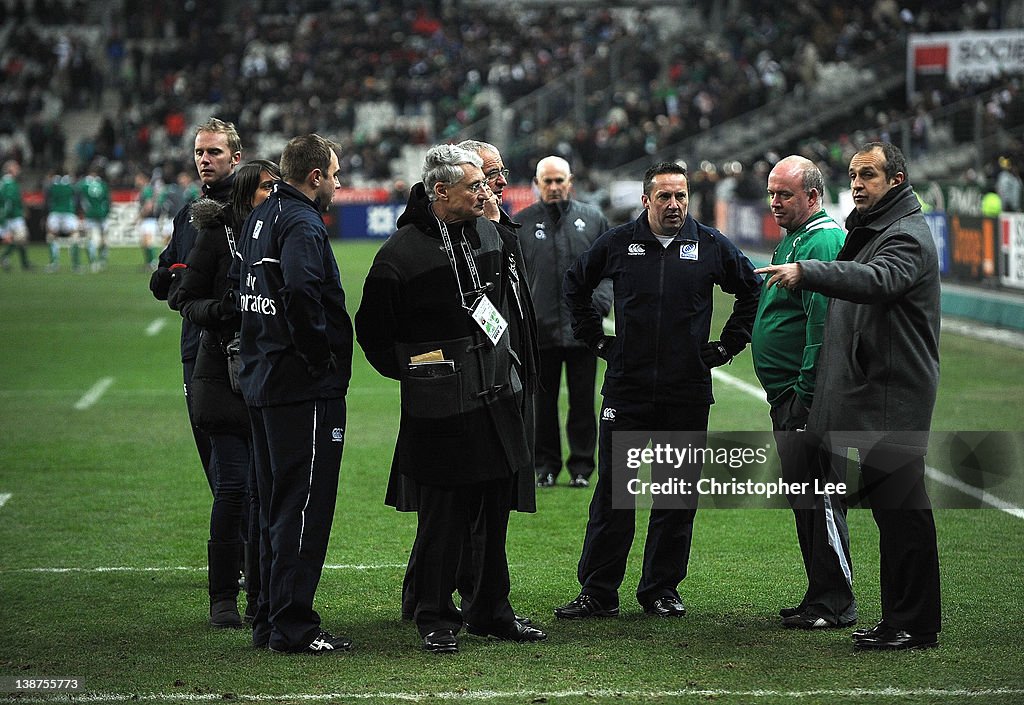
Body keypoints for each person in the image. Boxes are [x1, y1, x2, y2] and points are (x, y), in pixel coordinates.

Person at [356, 144, 546, 654]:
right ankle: (435, 614)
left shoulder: (484, 234)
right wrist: (416, 374)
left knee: (494, 510)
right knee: (442, 517)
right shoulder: (401, 253)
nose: (486, 193)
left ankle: (489, 608)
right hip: (440, 407)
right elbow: (372, 330)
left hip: (493, 396)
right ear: (441, 192)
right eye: (475, 187)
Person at [555, 161, 761, 620]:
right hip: (626, 389)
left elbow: (751, 290)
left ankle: (661, 590)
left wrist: (728, 345)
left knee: (674, 497)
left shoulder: (709, 244)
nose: (674, 205)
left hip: (685, 392)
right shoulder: (618, 243)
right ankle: (598, 591)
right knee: (614, 493)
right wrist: (594, 339)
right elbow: (575, 284)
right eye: (665, 196)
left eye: (681, 196)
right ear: (646, 200)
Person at [756, 142, 941, 651]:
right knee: (890, 511)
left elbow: (879, 281)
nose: (857, 184)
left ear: (896, 181)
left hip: (894, 394)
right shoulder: (876, 229)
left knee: (904, 513)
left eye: (870, 176)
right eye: (855, 175)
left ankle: (915, 623)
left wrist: (809, 272)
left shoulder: (904, 236)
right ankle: (898, 617)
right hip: (877, 391)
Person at [234, 134, 354, 655]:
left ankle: (267, 616)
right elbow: (303, 293)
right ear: (314, 177)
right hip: (298, 389)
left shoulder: (261, 216)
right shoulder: (302, 222)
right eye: (334, 173)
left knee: (272, 502)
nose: (338, 183)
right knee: (300, 506)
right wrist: (318, 359)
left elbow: (247, 293)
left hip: (262, 379)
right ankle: (293, 625)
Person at [168, 159, 280, 628]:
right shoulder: (217, 236)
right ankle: (222, 599)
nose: (274, 196)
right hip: (221, 375)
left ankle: (259, 595)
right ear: (243, 195)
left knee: (262, 491)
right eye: (265, 189)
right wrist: (223, 310)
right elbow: (183, 299)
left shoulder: (281, 235)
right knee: (234, 486)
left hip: (269, 374)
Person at [750, 155, 855, 629]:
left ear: (813, 196)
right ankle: (820, 594)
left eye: (784, 194)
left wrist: (806, 391)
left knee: (820, 495)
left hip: (804, 397)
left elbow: (823, 322)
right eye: (771, 193)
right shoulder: (794, 238)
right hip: (787, 395)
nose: (774, 202)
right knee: (804, 497)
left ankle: (835, 602)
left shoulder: (825, 238)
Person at [149, 118, 241, 498]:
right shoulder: (187, 215)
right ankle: (237, 554)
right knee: (214, 464)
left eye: (214, 152)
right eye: (200, 152)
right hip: (195, 350)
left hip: (241, 347)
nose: (205, 159)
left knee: (241, 467)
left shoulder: (252, 211)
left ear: (236, 158)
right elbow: (167, 270)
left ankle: (251, 553)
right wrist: (165, 279)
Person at [515, 155, 611, 489]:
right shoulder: (521, 223)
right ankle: (546, 466)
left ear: (570, 182)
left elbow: (610, 269)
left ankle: (583, 466)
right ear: (537, 185)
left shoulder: (593, 219)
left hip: (583, 331)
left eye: (560, 181)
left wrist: (598, 303)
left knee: (583, 401)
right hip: (539, 331)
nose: (554, 187)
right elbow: (514, 276)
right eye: (548, 182)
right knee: (542, 404)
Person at [45, 171, 82, 272]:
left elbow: (47, 200)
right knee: (75, 236)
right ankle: (76, 265)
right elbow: (77, 199)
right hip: (69, 212)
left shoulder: (51, 185)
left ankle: (54, 263)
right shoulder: (72, 185)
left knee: (51, 236)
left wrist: (45, 215)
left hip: (55, 212)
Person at [77, 165, 111, 272]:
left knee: (90, 239)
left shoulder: (82, 185)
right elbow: (108, 201)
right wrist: (106, 212)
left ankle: (93, 262)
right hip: (102, 214)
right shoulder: (103, 184)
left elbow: (79, 200)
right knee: (104, 238)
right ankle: (102, 260)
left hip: (90, 214)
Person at [0, 160, 32, 271]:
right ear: (10, 169)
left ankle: (23, 263)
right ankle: (6, 258)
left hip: (14, 215)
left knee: (21, 239)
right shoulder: (8, 183)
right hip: (11, 217)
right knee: (20, 238)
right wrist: (3, 218)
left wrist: (22, 209)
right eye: (16, 167)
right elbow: (8, 202)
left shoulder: (10, 182)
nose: (18, 170)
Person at [135, 171, 161, 271]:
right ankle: (148, 263)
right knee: (144, 243)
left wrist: (140, 216)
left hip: (149, 219)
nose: (136, 181)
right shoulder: (145, 190)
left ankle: (152, 263)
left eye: (138, 179)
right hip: (148, 219)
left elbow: (149, 205)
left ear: (143, 179)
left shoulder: (147, 190)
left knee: (148, 242)